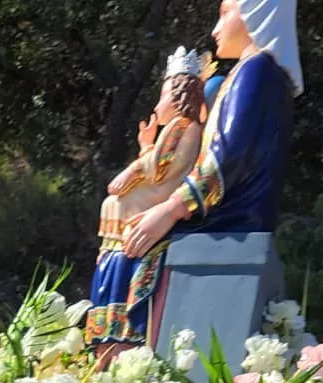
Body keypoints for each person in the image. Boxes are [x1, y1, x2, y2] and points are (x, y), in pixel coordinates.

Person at [119, 0, 302, 261]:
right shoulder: (255, 73)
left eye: (225, 14)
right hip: (231, 217)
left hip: (229, 221)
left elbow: (228, 155)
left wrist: (173, 209)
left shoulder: (257, 71)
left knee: (135, 253)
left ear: (256, 12)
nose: (215, 30)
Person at [86, 47, 209, 352]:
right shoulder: (178, 127)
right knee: (112, 204)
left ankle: (118, 336)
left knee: (113, 204)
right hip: (152, 197)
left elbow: (158, 168)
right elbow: (158, 164)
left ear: (179, 95)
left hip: (155, 201)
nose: (158, 104)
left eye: (163, 95)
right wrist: (145, 147)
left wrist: (134, 168)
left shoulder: (184, 126)